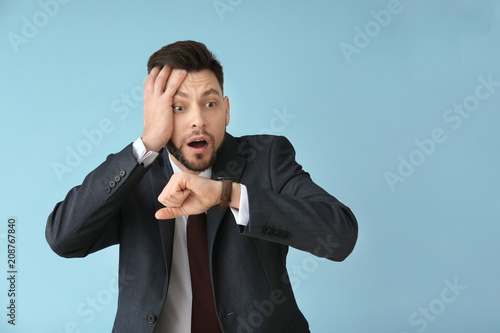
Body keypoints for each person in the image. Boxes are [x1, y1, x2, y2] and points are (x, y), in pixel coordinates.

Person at [46, 40, 358, 333]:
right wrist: (147, 143)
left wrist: (229, 194)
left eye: (209, 103)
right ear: (157, 115)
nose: (198, 120)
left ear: (227, 110)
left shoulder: (266, 159)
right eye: (179, 107)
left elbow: (339, 236)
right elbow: (63, 238)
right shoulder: (134, 175)